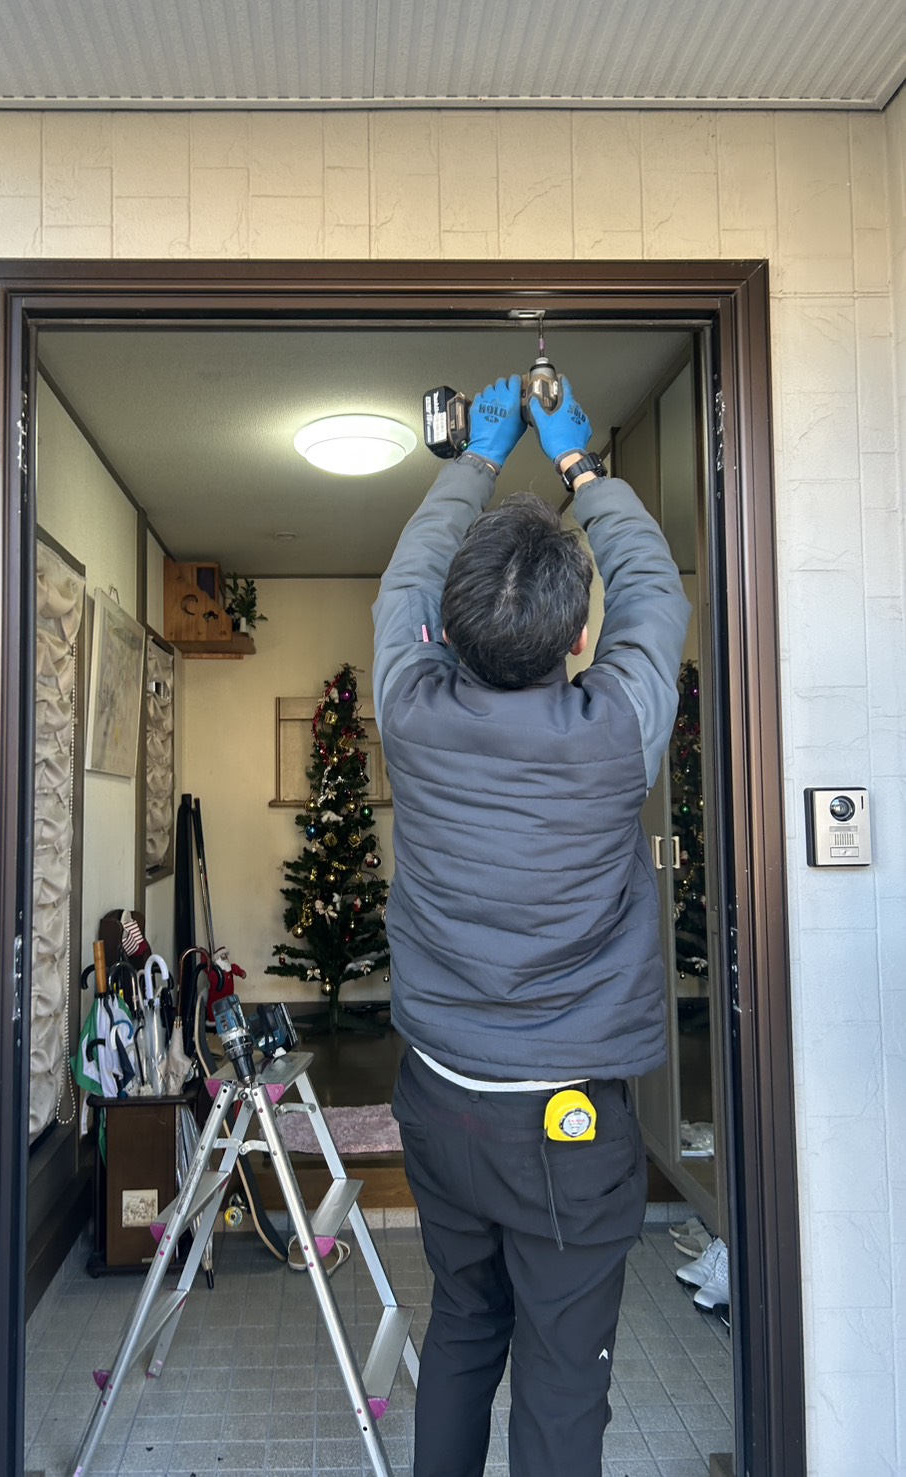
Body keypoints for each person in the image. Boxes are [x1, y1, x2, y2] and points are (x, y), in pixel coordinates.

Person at [372, 372, 691, 1477]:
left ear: (444, 635)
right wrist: (583, 468)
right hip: (566, 1125)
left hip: (441, 1102)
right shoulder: (617, 729)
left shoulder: (410, 709)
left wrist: (472, 457)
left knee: (463, 1330)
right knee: (562, 1378)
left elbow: (403, 578)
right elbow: (654, 589)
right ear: (578, 637)